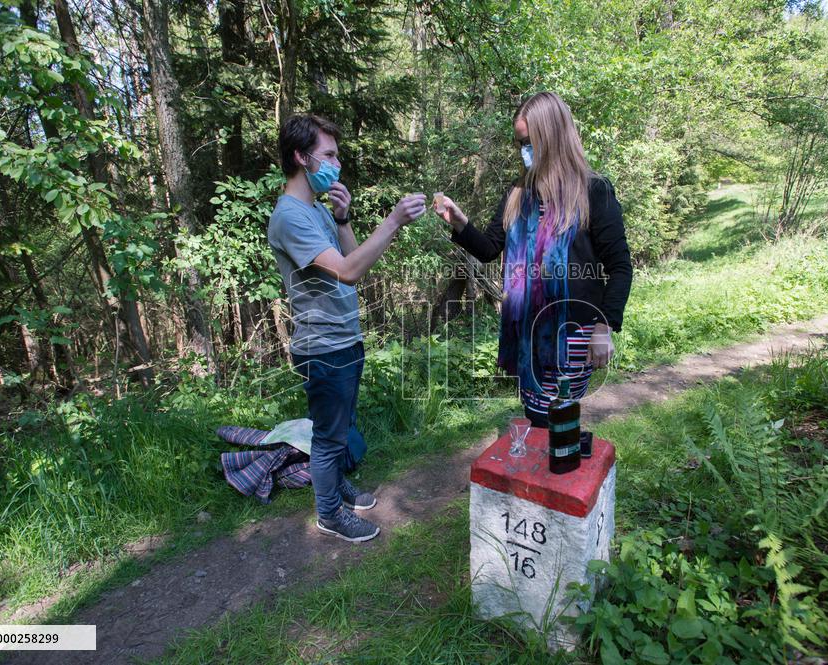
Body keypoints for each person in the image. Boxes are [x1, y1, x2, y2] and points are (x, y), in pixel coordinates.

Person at [267, 114, 427, 542]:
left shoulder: (316, 210)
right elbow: (350, 271)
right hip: (321, 345)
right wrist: (393, 221)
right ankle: (329, 514)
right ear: (301, 157)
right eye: (330, 155)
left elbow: (354, 263)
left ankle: (337, 487)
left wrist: (342, 218)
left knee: (341, 427)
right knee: (328, 435)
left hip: (344, 337)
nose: (337, 164)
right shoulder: (289, 217)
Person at [436, 92, 633, 427]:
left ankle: (555, 458)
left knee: (551, 417)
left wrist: (604, 327)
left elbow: (620, 267)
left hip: (573, 331)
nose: (523, 151)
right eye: (520, 143)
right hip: (526, 333)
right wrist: (460, 223)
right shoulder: (518, 192)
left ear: (552, 137)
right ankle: (555, 458)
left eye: (529, 142)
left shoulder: (592, 190)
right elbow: (489, 248)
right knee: (545, 419)